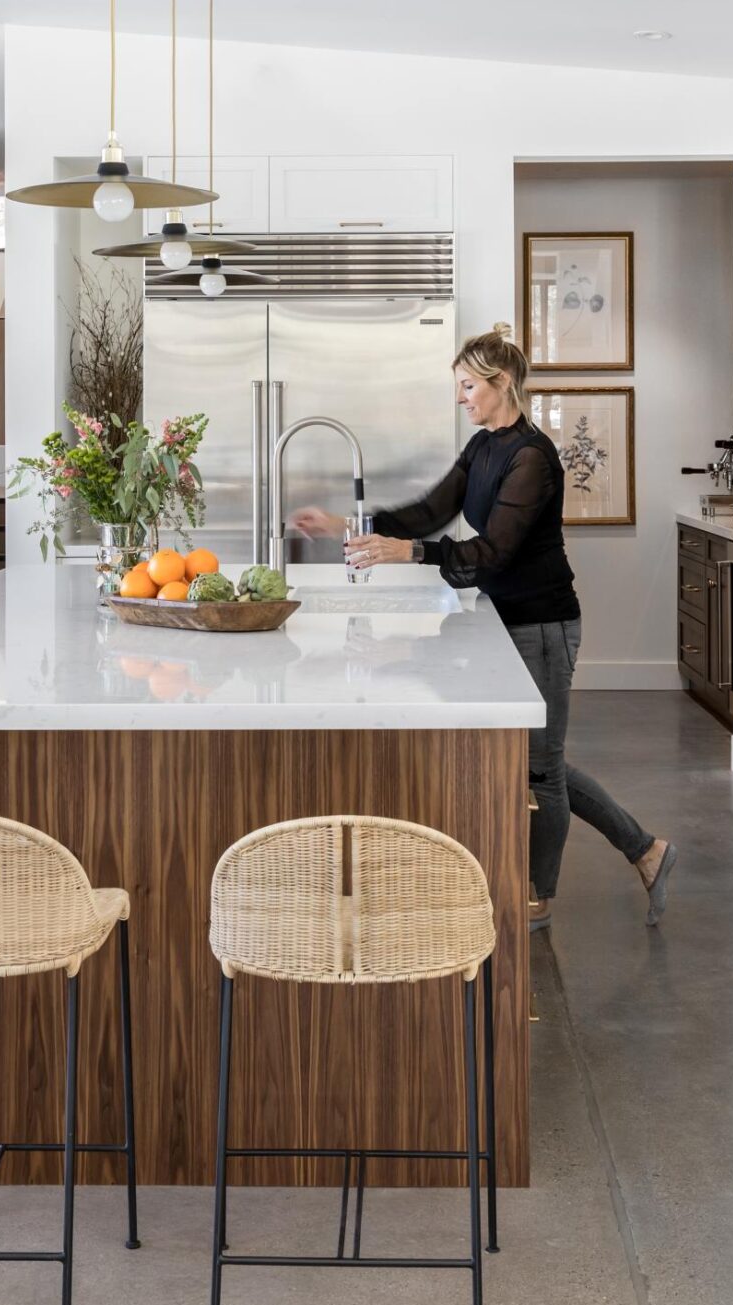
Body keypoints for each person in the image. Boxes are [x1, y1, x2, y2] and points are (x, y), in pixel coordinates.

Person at [290, 322, 676, 931]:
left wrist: (410, 554)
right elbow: (431, 510)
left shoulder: (531, 456)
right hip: (504, 621)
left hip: (544, 624)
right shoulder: (482, 447)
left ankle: (536, 897)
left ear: (500, 385)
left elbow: (491, 552)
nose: (461, 397)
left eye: (468, 385)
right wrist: (349, 522)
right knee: (530, 756)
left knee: (541, 769)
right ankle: (645, 850)